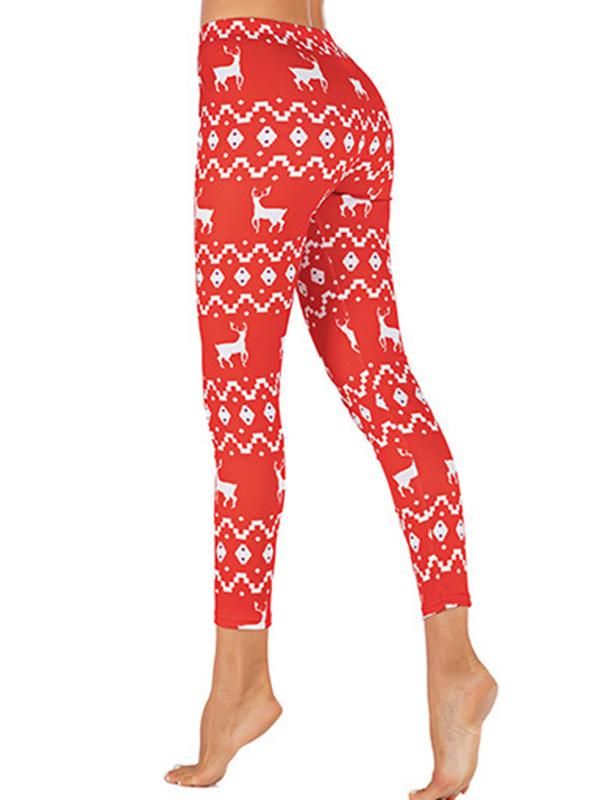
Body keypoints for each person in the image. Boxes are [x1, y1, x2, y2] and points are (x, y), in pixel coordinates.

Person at [165, 1, 498, 797]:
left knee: (242, 407)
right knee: (383, 383)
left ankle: (239, 682)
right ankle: (454, 660)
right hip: (343, 90)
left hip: (255, 92)